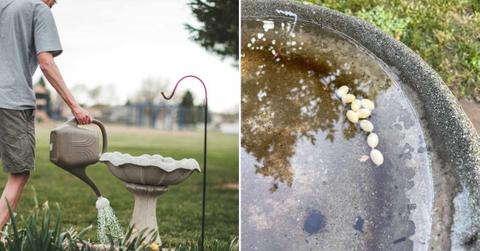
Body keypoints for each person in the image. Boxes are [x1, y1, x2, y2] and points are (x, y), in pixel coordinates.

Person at [0, 0, 92, 229]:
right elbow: (46, 63)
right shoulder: (38, 8)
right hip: (11, 101)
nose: (53, 4)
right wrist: (75, 106)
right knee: (19, 174)